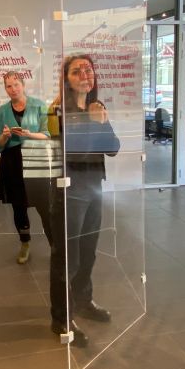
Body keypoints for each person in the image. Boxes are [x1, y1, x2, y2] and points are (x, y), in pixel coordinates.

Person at [48, 54, 120, 347]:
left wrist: (100, 121)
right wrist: (90, 123)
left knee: (88, 253)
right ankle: (61, 319)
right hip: (69, 189)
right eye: (77, 71)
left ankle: (83, 300)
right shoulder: (57, 111)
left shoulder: (96, 108)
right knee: (67, 257)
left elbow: (113, 148)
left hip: (94, 188)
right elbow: (64, 152)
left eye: (88, 70)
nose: (84, 75)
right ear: (66, 78)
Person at [0, 71, 53, 264]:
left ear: (23, 85)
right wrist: (4, 136)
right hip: (12, 162)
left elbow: (48, 134)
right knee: (19, 206)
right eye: (8, 86)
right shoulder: (2, 111)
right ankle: (25, 243)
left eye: (16, 84)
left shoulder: (39, 106)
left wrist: (28, 134)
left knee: (45, 206)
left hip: (35, 161)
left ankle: (55, 244)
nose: (13, 89)